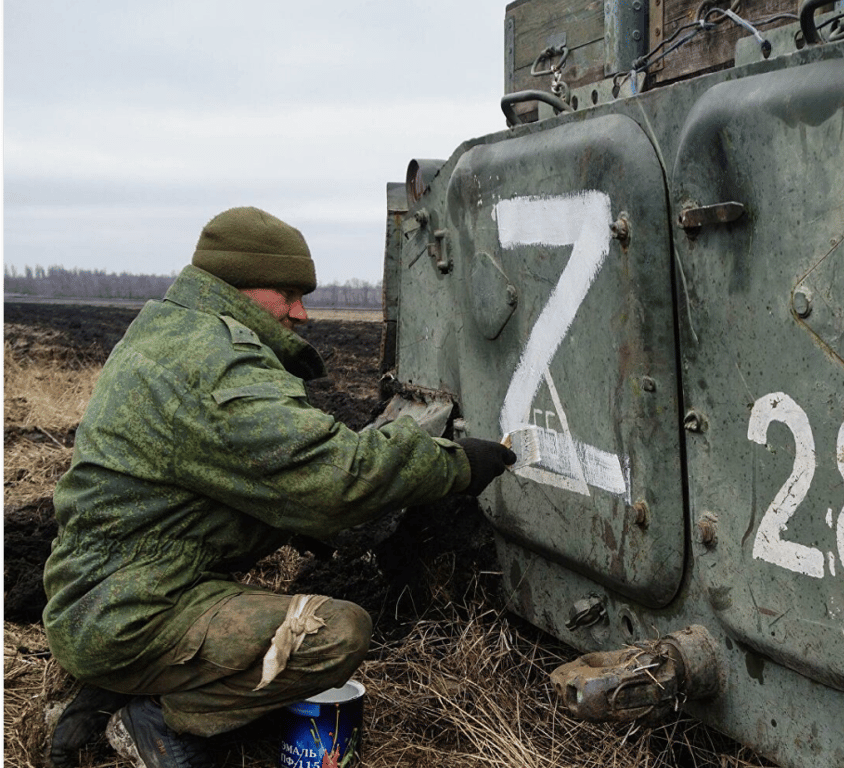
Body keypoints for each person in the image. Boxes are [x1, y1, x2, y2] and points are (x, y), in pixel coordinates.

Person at [42, 206, 515, 768]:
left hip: (108, 596)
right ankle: (156, 719)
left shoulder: (172, 329)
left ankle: (122, 683)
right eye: (287, 294)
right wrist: (458, 465)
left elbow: (250, 475)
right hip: (129, 612)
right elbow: (336, 476)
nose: (301, 313)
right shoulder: (215, 365)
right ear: (236, 286)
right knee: (333, 632)